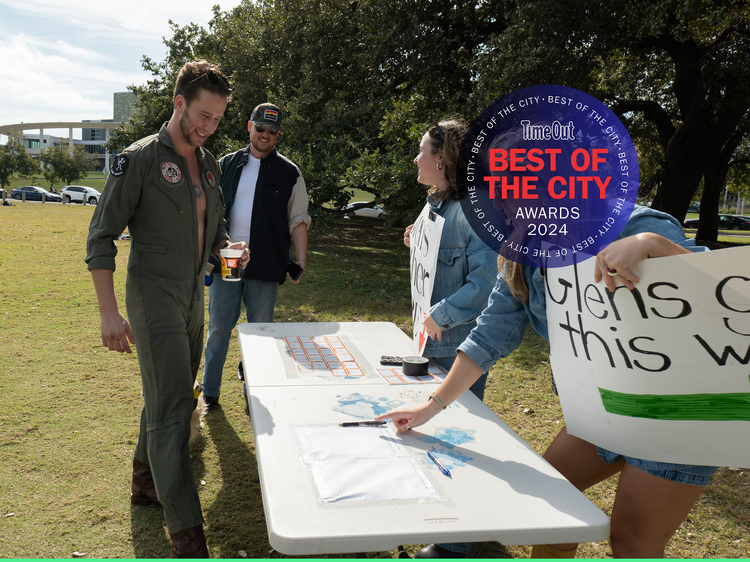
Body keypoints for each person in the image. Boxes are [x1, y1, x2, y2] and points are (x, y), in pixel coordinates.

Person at [377, 206, 717, 559]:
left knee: (632, 544)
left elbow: (726, 297)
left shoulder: (637, 224)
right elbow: (489, 335)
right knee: (554, 514)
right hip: (600, 411)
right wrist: (431, 406)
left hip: (674, 415)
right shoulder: (520, 249)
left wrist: (654, 245)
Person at [86, 60, 246, 558]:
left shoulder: (211, 163)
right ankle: (186, 532)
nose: (209, 126)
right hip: (152, 294)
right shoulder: (138, 160)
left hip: (194, 295)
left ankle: (144, 482)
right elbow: (101, 237)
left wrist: (227, 248)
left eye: (218, 119)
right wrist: (109, 314)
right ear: (178, 102)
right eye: (203, 115)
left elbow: (213, 228)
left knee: (167, 391)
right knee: (176, 405)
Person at [405, 118, 497, 558]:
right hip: (429, 345)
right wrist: (415, 235)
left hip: (455, 348)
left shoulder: (474, 212)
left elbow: (486, 284)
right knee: (434, 434)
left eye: (423, 151)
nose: (416, 158)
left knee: (452, 438)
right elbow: (438, 254)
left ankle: (457, 542)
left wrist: (440, 314)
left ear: (441, 160)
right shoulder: (436, 202)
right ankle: (464, 526)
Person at [200, 103, 310, 408]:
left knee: (261, 331)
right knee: (219, 327)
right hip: (228, 259)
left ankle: (255, 391)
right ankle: (210, 392)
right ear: (250, 126)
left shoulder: (290, 173)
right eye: (260, 128)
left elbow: (298, 218)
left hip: (266, 264)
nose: (265, 135)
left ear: (278, 134)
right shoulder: (226, 164)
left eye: (272, 131)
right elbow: (208, 211)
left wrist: (300, 261)